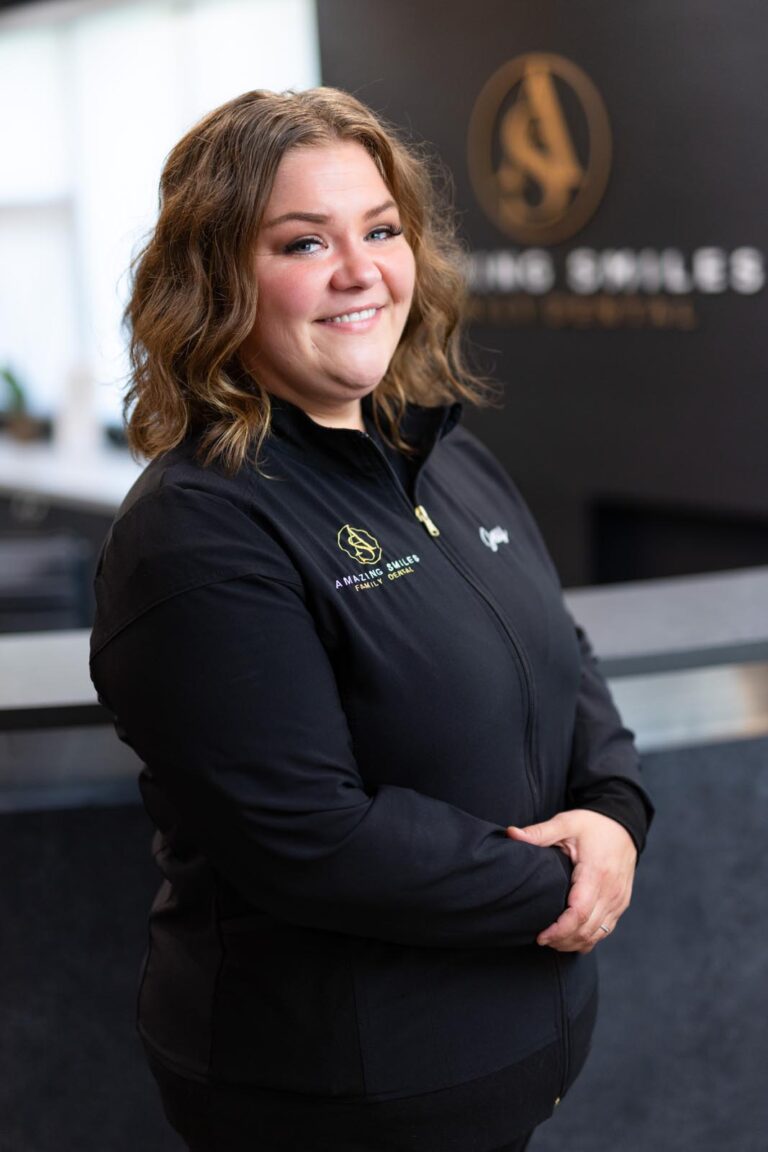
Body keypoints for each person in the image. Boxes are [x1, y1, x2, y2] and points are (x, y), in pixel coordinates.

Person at [89, 87, 653, 1152]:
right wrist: (570, 879)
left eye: (382, 231)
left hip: (506, 1064)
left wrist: (617, 816)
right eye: (304, 242)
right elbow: (311, 837)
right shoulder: (196, 528)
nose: (361, 271)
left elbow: (563, 659)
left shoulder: (445, 456)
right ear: (216, 282)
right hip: (338, 1097)